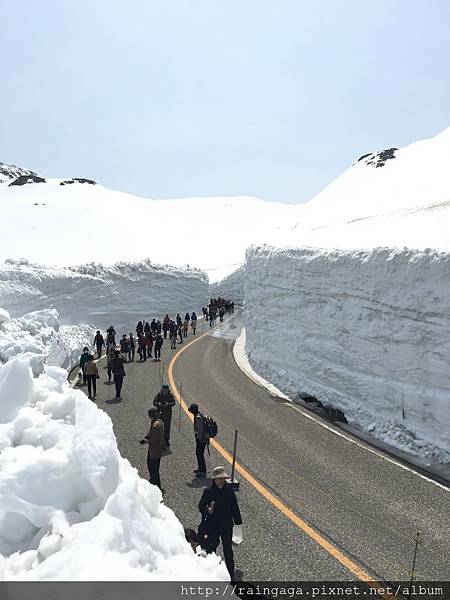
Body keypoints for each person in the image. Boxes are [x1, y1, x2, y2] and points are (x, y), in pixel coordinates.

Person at [198, 466, 242, 580]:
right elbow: (201, 505)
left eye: (223, 478)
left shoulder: (228, 489)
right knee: (212, 547)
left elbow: (234, 505)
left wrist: (238, 521)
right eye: (220, 478)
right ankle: (211, 573)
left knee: (228, 550)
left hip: (227, 525)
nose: (222, 480)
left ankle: (230, 574)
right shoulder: (208, 491)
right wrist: (208, 510)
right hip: (213, 525)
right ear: (214, 479)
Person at [139, 408, 166, 490]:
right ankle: (154, 482)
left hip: (155, 450)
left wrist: (145, 441)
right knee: (154, 466)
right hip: (158, 449)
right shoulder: (159, 422)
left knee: (153, 467)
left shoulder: (155, 425)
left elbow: (154, 440)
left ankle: (156, 485)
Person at [188, 403, 208, 476]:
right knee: (199, 453)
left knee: (199, 453)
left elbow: (200, 430)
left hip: (201, 439)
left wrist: (198, 438)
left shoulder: (198, 417)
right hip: (202, 438)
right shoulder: (199, 415)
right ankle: (200, 468)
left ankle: (202, 470)